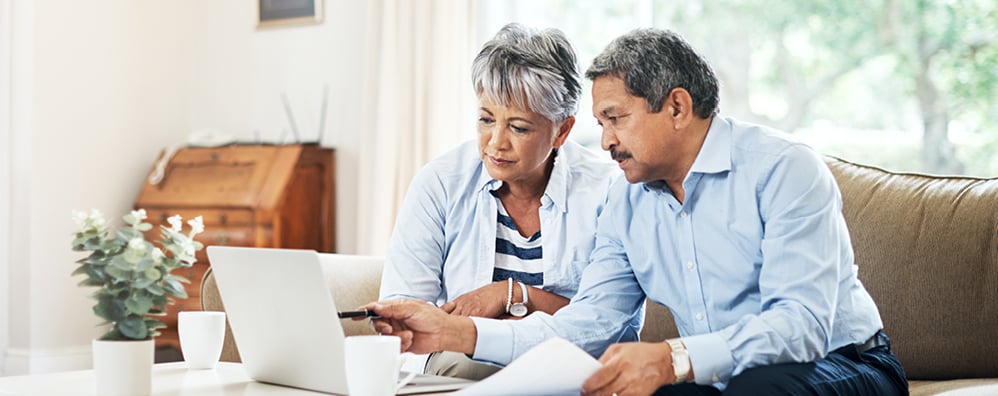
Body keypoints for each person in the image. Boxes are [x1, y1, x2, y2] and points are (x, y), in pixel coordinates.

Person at [366, 27, 909, 395]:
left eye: (615, 119)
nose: (603, 143)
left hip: (844, 362)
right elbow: (589, 323)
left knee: (757, 389)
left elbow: (802, 327)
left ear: (676, 106)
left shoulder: (784, 169)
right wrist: (453, 335)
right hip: (724, 379)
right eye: (600, 123)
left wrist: (672, 358)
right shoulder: (625, 199)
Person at [377, 23, 627, 380]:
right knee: (464, 365)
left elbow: (610, 325)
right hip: (459, 369)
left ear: (562, 130)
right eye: (485, 119)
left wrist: (511, 294)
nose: (495, 143)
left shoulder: (606, 192)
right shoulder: (440, 183)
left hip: (566, 372)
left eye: (519, 127)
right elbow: (404, 308)